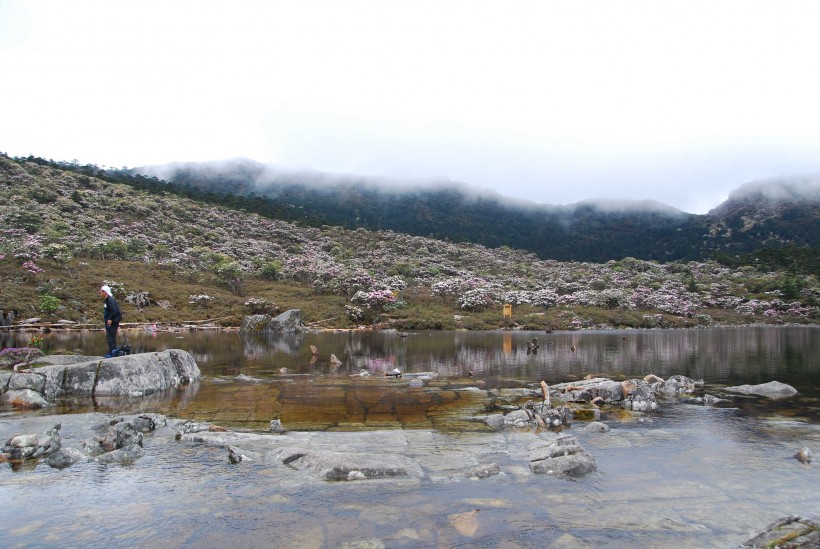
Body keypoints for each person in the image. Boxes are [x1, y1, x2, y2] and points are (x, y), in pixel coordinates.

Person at [100, 284, 122, 357]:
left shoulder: (110, 300)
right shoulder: (107, 300)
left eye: (101, 291)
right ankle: (112, 351)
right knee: (110, 337)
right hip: (111, 321)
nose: (100, 292)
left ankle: (112, 352)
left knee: (110, 337)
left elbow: (114, 310)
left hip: (113, 321)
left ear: (105, 292)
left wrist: (110, 319)